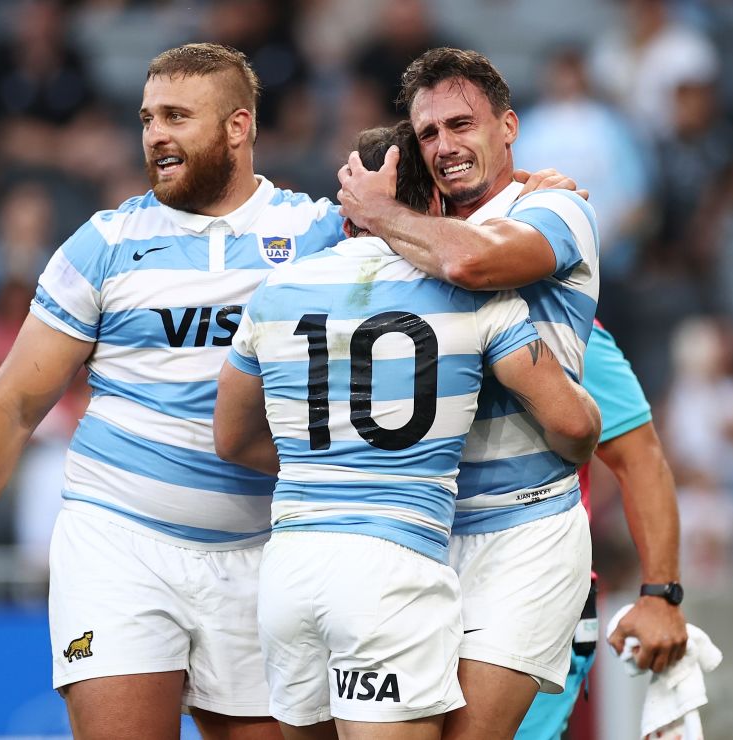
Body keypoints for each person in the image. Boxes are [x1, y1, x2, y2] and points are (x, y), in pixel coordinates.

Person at [0, 43, 348, 740]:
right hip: (120, 543)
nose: (155, 133)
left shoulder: (319, 235)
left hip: (263, 551)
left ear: (238, 127)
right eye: (147, 117)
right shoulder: (103, 244)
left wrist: (531, 194)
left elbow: (447, 228)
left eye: (177, 116)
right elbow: (9, 408)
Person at [213, 124, 601, 740]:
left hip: (288, 572)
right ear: (433, 210)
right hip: (392, 567)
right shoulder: (470, 296)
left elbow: (230, 439)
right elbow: (574, 422)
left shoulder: (276, 292)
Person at [338, 47, 682, 738]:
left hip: (528, 564)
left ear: (509, 126)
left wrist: (661, 595)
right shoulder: (392, 277)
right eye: (429, 134)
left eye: (462, 125)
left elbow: (638, 454)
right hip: (414, 562)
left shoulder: (562, 303)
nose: (445, 145)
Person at [517, 320, 687, 739]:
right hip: (413, 594)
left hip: (539, 605)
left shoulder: (566, 325)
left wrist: (661, 595)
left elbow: (640, 459)